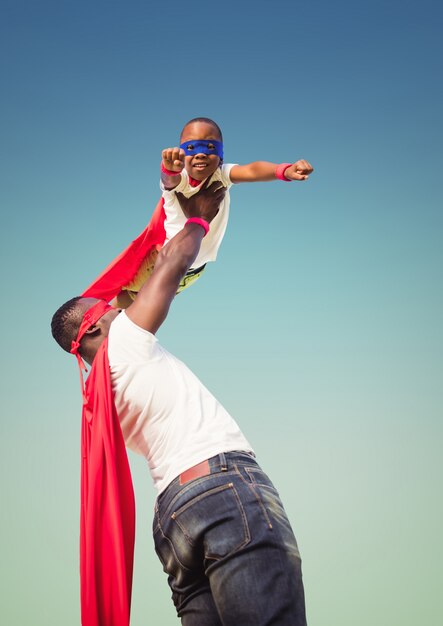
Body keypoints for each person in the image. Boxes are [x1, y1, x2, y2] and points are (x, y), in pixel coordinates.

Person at [51, 183, 307, 626]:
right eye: (105, 308)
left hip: (173, 522)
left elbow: (135, 288)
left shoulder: (100, 398)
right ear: (92, 330)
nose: (115, 306)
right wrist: (198, 217)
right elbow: (170, 267)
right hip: (221, 490)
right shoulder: (125, 344)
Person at [112, 116, 314, 305]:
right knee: (125, 300)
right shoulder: (180, 179)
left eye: (210, 147)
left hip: (193, 270)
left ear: (220, 156)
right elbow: (169, 181)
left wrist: (284, 170)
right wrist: (169, 170)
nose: (201, 153)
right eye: (191, 147)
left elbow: (252, 170)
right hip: (161, 260)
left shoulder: (222, 175)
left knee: (144, 305)